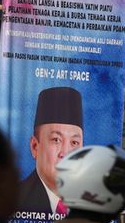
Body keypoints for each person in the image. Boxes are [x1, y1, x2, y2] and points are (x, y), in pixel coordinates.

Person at [18, 86, 84, 214]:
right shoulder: (13, 201)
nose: (65, 153)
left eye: (74, 142)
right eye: (56, 140)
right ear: (34, 146)